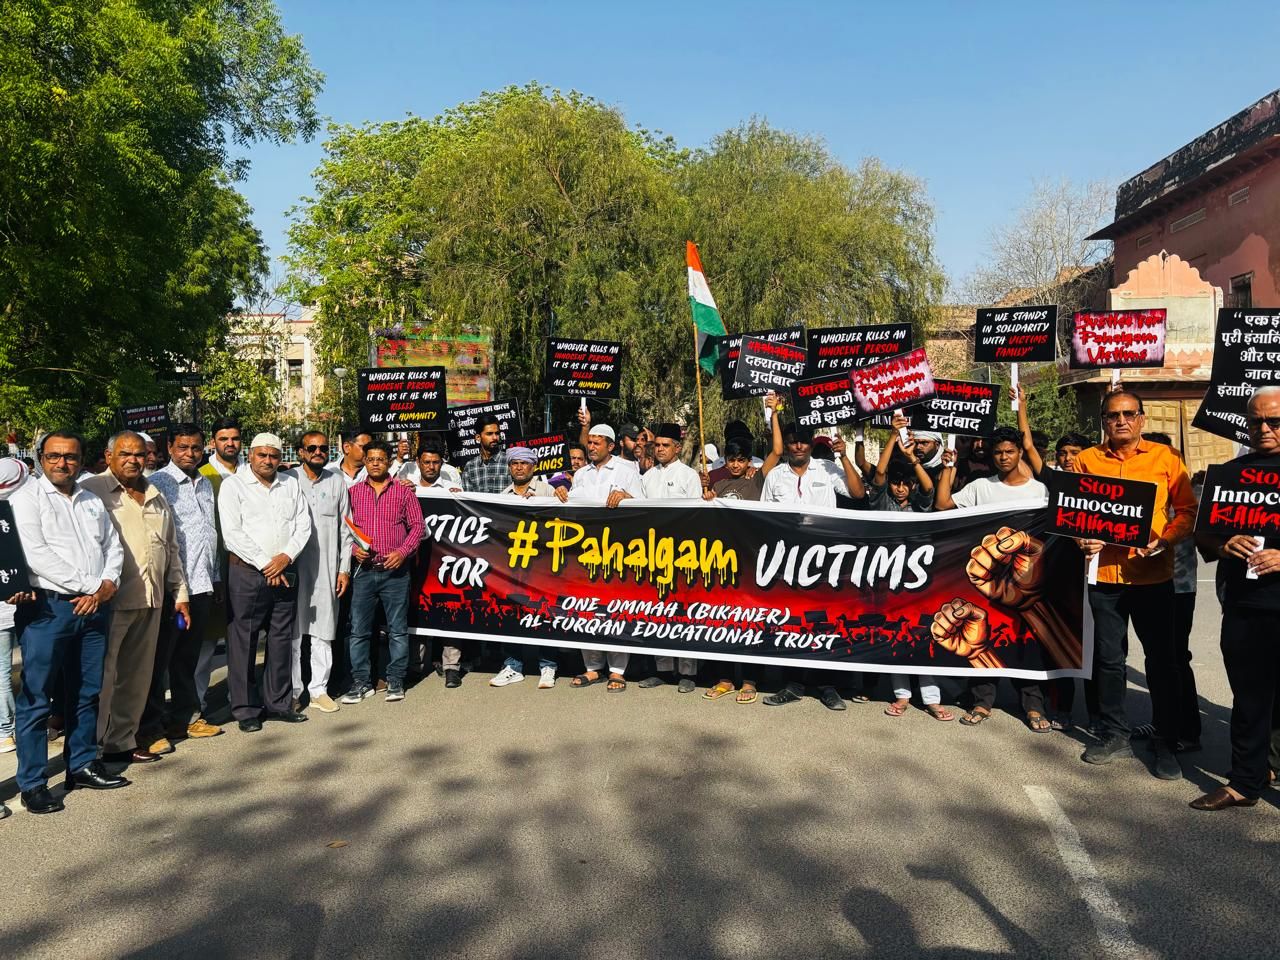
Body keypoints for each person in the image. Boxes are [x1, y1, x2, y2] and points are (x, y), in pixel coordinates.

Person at [1073, 389, 1197, 780]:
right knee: (1109, 661)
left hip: (1153, 577)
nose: (1121, 421)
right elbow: (1073, 514)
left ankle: (1166, 742)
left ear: (1142, 418)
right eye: (1113, 415)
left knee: (1162, 661)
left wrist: (1165, 540)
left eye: (1129, 414)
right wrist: (1082, 539)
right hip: (1105, 578)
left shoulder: (1167, 458)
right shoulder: (1085, 460)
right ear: (1103, 422)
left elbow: (1187, 512)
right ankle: (1115, 735)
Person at [11, 431, 129, 814]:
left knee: (87, 690)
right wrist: (93, 586)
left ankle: (81, 764)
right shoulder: (27, 499)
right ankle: (33, 783)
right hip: (49, 610)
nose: (62, 463)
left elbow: (112, 546)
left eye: (71, 457)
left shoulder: (90, 499)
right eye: (54, 456)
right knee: (37, 697)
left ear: (81, 459)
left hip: (94, 609)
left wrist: (107, 585)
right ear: (40, 458)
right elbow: (37, 555)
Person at [1191, 387, 1280, 810]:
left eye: (1274, 421)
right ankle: (1245, 782)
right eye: (1255, 421)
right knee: (1250, 698)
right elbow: (1203, 535)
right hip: (1246, 606)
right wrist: (1223, 544)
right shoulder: (1229, 474)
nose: (1264, 429)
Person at [82, 431, 190, 764]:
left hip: (152, 600)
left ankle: (120, 743)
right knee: (104, 680)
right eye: (125, 454)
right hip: (110, 603)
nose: (134, 460)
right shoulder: (91, 492)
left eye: (140, 454)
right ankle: (91, 750)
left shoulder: (156, 494)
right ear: (109, 456)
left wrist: (180, 593)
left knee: (138, 678)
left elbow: (171, 548)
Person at [935, 426, 1048, 729]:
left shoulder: (1040, 491)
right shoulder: (980, 487)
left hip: (1027, 585)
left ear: (1020, 453)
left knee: (1026, 643)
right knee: (985, 637)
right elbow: (943, 505)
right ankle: (982, 701)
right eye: (998, 452)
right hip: (987, 583)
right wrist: (948, 468)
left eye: (1009, 451)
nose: (1003, 457)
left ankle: (1033, 706)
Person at [760, 422, 866, 711]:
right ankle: (793, 684)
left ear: (810, 444)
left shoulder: (827, 469)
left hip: (825, 560)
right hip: (787, 561)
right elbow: (764, 517)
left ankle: (827, 686)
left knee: (824, 621)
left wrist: (844, 457)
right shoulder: (775, 476)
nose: (798, 446)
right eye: (793, 441)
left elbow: (858, 493)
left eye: (804, 441)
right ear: (787, 445)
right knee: (792, 621)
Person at [217, 433, 312, 732]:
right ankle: (246, 709)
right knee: (243, 641)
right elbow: (232, 533)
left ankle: (279, 704)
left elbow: (303, 525)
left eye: (273, 455)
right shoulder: (233, 485)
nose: (268, 461)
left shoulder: (290, 484)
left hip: (285, 570)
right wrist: (266, 564)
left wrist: (285, 556)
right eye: (262, 455)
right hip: (248, 573)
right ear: (250, 455)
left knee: (281, 639)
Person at [141, 425, 225, 751]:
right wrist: (174, 587)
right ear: (170, 447)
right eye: (183, 447)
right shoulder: (158, 484)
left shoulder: (204, 483)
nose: (190, 453)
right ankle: (151, 727)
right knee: (160, 660)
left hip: (201, 585)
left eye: (196, 447)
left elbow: (209, 534)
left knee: (187, 657)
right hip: (174, 590)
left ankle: (185, 718)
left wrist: (214, 577)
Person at [340, 440, 425, 704]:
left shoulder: (403, 492)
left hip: (395, 573)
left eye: (380, 459)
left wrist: (403, 552)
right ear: (364, 462)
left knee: (397, 630)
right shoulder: (352, 493)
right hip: (363, 572)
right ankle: (361, 682)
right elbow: (345, 528)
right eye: (371, 459)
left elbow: (418, 527)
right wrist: (354, 550)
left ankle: (395, 680)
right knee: (359, 631)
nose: (375, 463)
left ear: (389, 462)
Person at [568, 423, 644, 692]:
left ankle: (617, 671)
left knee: (615, 610)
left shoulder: (627, 471)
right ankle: (592, 668)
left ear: (611, 446)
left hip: (617, 552)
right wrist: (560, 495)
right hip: (584, 554)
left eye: (596, 443)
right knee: (586, 609)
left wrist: (626, 496)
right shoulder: (581, 475)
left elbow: (647, 506)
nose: (590, 447)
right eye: (589, 442)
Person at [283, 431, 353, 713]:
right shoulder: (287, 480)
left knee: (323, 631)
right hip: (292, 567)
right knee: (293, 633)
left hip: (327, 568)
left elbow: (346, 529)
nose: (318, 452)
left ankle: (318, 690)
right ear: (300, 452)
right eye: (311, 448)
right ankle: (293, 691)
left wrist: (344, 569)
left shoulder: (336, 482)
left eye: (323, 448)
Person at [490, 447, 565, 691]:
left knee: (544, 612)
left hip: (543, 567)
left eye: (524, 463)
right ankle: (513, 666)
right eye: (515, 464)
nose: (519, 467)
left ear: (534, 467)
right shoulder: (503, 495)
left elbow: (564, 520)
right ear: (509, 467)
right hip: (514, 568)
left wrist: (550, 501)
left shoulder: (547, 491)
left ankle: (548, 665)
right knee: (513, 613)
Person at [637, 424, 704, 692]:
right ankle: (663, 669)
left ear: (677, 448)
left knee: (684, 612)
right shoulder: (646, 477)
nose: (660, 449)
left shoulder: (689, 475)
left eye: (666, 445)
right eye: (657, 445)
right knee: (658, 612)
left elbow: (696, 515)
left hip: (683, 554)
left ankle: (688, 671)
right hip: (653, 553)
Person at [412, 439, 467, 687]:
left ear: (441, 464)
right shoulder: (408, 488)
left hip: (447, 561)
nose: (431, 467)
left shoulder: (451, 491)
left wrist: (461, 499)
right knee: (418, 610)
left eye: (435, 462)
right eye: (426, 462)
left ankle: (452, 666)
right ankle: (416, 665)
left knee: (450, 611)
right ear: (418, 463)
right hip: (416, 560)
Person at [1, 458, 34, 769]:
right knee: (30, 667)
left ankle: (6, 731)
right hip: (26, 600)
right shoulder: (28, 504)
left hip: (19, 602)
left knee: (5, 671)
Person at [460, 414, 509, 494]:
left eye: (497, 433)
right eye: (489, 434)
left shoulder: (510, 461)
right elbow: (468, 498)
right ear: (478, 437)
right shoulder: (470, 467)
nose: (495, 438)